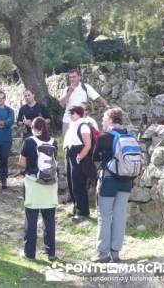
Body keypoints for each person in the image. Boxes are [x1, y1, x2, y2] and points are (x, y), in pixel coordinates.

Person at [91, 108, 133, 263]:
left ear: (110, 119)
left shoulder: (104, 137)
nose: (102, 121)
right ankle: (115, 254)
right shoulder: (129, 136)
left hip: (108, 180)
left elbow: (94, 157)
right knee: (120, 216)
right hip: (126, 181)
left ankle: (102, 254)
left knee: (104, 216)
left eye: (103, 118)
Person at [19, 117, 58, 261]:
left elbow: (22, 163)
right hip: (50, 184)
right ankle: (51, 252)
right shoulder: (54, 142)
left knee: (31, 219)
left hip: (33, 183)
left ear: (34, 128)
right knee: (49, 220)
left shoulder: (29, 141)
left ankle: (29, 253)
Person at [59, 68, 109, 138]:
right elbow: (61, 104)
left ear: (79, 77)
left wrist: (107, 106)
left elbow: (98, 97)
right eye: (70, 77)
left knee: (83, 141)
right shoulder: (66, 89)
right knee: (67, 142)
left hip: (82, 120)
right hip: (68, 120)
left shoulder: (85, 87)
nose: (72, 79)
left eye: (74, 77)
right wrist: (69, 92)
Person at [63, 106, 92, 222]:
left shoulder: (83, 125)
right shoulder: (72, 126)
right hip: (70, 153)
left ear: (79, 114)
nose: (70, 115)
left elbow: (88, 144)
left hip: (78, 154)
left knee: (78, 184)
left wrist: (79, 157)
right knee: (71, 182)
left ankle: (83, 212)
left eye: (73, 113)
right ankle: (76, 209)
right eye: (70, 113)